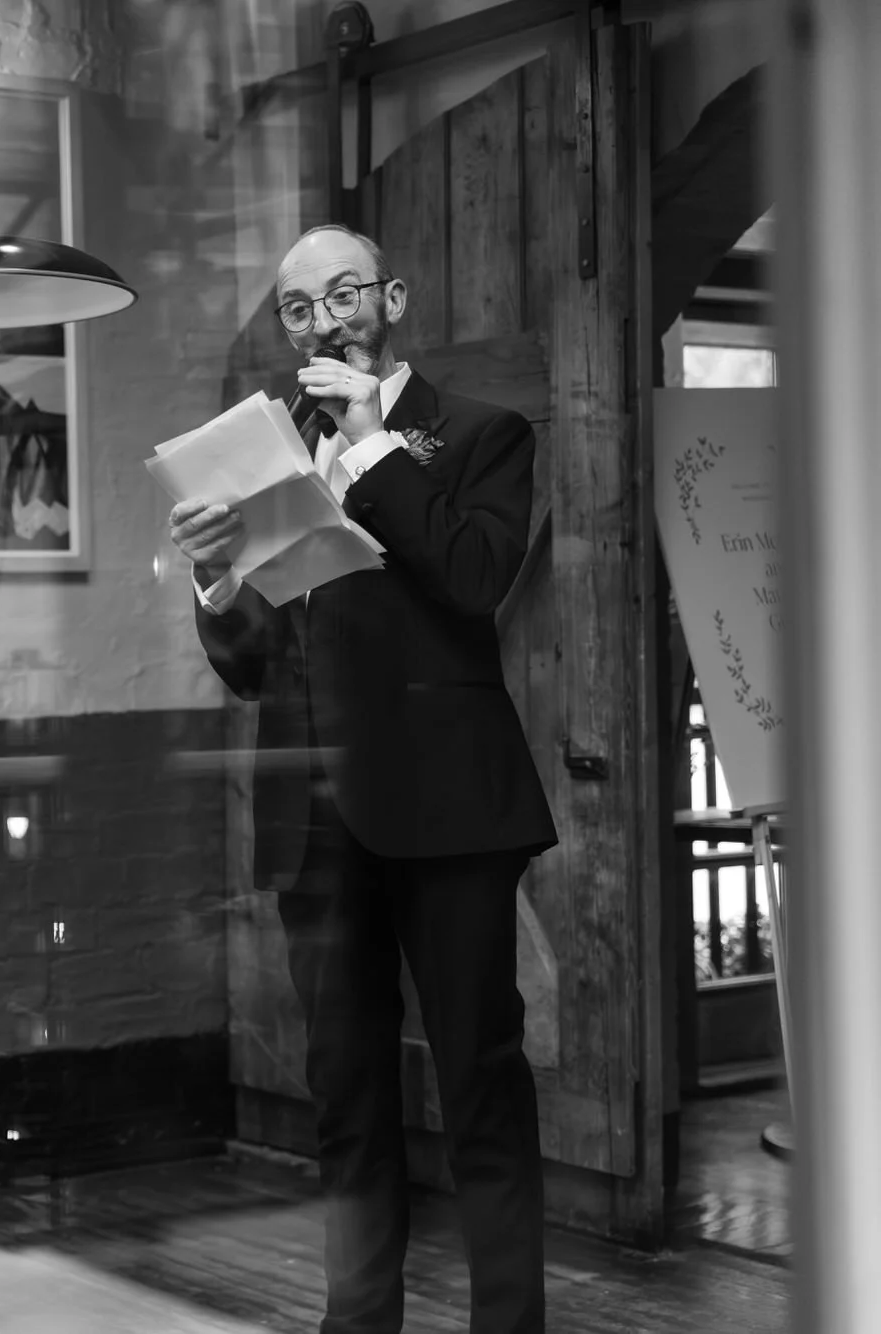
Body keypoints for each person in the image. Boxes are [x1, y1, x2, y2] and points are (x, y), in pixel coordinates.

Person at [169, 224, 558, 1334]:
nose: (323, 319)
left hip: (447, 811)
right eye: (297, 308)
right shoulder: (259, 455)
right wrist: (211, 578)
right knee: (344, 1094)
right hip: (313, 813)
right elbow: (249, 664)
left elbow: (476, 577)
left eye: (342, 294)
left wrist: (371, 444)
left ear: (388, 297)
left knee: (480, 1085)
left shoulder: (480, 433)